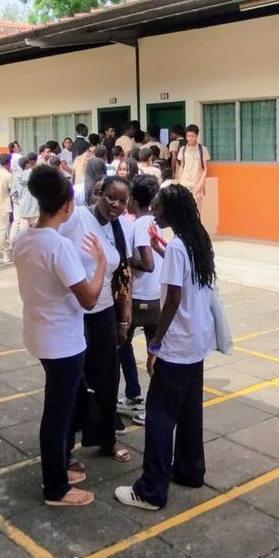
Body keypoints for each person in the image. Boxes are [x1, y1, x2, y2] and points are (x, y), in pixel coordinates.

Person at [114, 184, 216, 511]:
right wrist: (162, 251)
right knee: (189, 411)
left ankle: (151, 490)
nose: (154, 212)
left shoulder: (176, 247)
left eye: (157, 207)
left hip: (177, 344)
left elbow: (172, 297)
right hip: (197, 340)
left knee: (159, 415)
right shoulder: (196, 239)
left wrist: (156, 342)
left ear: (170, 210)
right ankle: (190, 470)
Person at [13, 165, 106, 507]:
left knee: (61, 408)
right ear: (68, 206)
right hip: (62, 342)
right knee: (57, 413)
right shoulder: (58, 246)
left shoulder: (22, 238)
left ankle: (59, 469)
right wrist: (98, 264)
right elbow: (90, 298)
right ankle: (55, 487)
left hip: (39, 334)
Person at [60, 176, 134, 464]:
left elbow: (123, 275)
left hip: (103, 312)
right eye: (110, 198)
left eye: (122, 201)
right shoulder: (76, 218)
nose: (115, 205)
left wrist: (123, 320)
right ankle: (64, 449)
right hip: (74, 312)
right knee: (73, 380)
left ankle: (105, 439)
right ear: (98, 193)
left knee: (107, 378)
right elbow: (51, 245)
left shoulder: (119, 228)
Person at [117, 175, 162, 422]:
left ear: (133, 199)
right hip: (155, 296)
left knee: (122, 343)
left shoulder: (139, 225)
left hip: (142, 298)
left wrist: (124, 259)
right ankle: (137, 395)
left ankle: (140, 399)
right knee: (154, 350)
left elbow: (148, 263)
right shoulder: (157, 221)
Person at [176, 125, 210, 211]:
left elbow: (206, 169)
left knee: (196, 211)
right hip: (185, 184)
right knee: (184, 210)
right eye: (188, 136)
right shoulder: (183, 149)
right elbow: (181, 167)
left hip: (197, 185)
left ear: (197, 136)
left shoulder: (203, 149)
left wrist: (200, 184)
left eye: (192, 136)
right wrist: (179, 183)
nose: (190, 138)